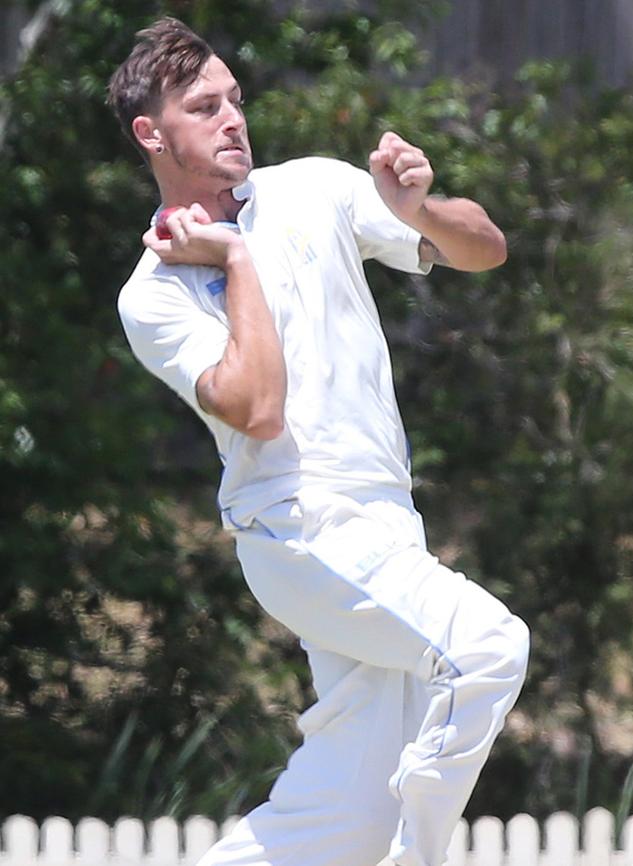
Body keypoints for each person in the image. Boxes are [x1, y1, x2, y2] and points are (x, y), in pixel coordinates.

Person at [108, 17, 529, 866]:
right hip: (301, 525)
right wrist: (236, 259)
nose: (233, 118)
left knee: (345, 817)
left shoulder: (312, 186)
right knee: (489, 647)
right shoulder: (153, 292)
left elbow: (484, 248)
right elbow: (258, 410)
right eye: (203, 107)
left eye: (234, 99)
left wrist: (421, 209)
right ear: (150, 134)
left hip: (385, 521)